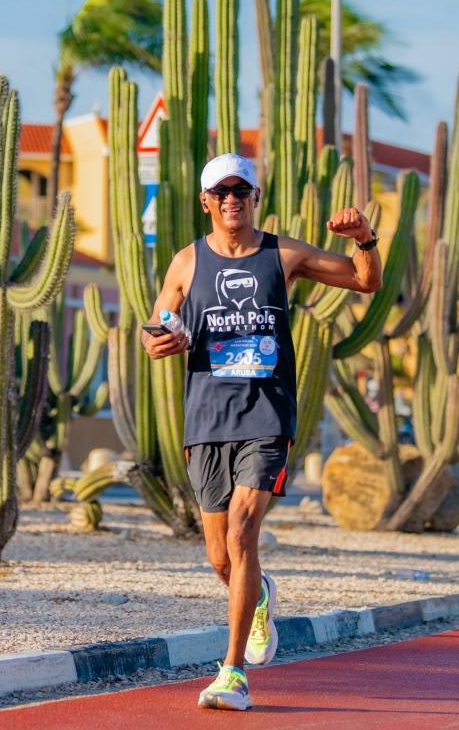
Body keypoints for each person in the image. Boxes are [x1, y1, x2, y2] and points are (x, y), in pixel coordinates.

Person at [142, 153, 382, 711]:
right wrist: (160, 340)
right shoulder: (185, 262)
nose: (232, 198)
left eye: (241, 189)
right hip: (207, 418)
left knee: (243, 534)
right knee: (219, 558)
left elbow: (363, 282)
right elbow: (157, 327)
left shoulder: (283, 254)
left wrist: (365, 238)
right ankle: (259, 597)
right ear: (206, 201)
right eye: (221, 190)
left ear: (255, 197)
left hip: (267, 413)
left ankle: (232, 673)